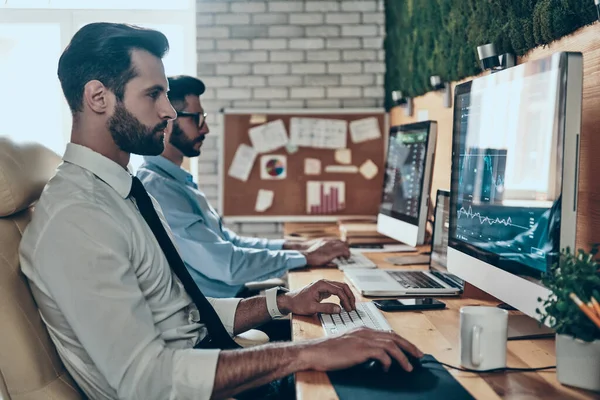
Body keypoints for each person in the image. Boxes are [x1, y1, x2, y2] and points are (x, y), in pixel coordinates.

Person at [19, 22, 423, 400]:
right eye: (153, 94)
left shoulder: (123, 192)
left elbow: (185, 311)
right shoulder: (76, 219)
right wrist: (307, 353)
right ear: (98, 97)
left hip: (210, 363)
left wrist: (282, 302)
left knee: (404, 365)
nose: (170, 112)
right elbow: (146, 381)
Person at [136, 79, 349, 298]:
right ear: (168, 120)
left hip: (233, 297)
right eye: (198, 118)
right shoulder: (159, 189)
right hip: (215, 315)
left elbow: (229, 242)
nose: (205, 128)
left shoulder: (177, 181)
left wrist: (296, 246)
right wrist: (305, 257)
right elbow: (228, 265)